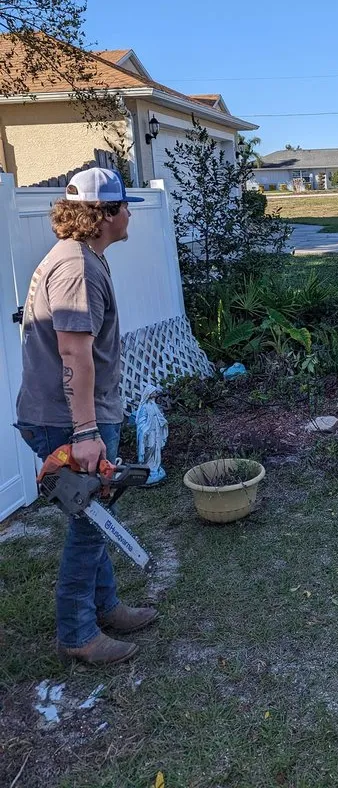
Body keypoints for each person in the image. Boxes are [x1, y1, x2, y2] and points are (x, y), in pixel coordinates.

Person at [14, 168, 158, 665]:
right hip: (71, 422)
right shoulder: (77, 267)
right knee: (88, 526)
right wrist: (86, 432)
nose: (130, 215)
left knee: (96, 516)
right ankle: (77, 633)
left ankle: (106, 606)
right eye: (124, 207)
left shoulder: (83, 257)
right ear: (104, 215)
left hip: (72, 417)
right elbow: (74, 354)